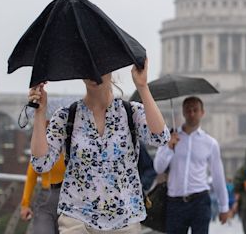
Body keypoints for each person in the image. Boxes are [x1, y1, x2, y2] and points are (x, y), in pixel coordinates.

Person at [29, 59, 170, 233]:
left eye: (100, 66)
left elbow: (161, 138)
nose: (94, 72)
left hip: (125, 220)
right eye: (87, 66)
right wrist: (39, 113)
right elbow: (40, 163)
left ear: (112, 69)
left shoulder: (130, 112)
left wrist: (142, 86)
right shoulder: (66, 116)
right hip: (77, 219)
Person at [154, 96, 230, 233]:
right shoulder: (169, 137)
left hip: (199, 201)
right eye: (188, 110)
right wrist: (169, 148)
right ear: (183, 112)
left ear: (202, 113)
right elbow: (158, 167)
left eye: (195, 110)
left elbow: (218, 176)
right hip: (174, 202)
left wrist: (224, 207)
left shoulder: (210, 143)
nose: (192, 113)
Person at [20, 151, 66, 233]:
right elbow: (31, 177)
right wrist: (25, 205)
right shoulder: (44, 146)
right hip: (46, 200)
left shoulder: (76, 145)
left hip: (70, 202)